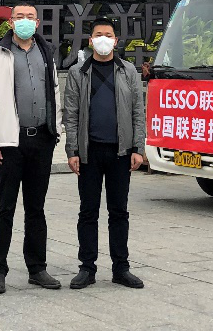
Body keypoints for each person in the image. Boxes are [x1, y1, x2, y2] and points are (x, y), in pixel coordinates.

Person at [0, 3, 62, 294]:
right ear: (11, 22)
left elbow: (54, 91)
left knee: (36, 208)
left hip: (41, 140)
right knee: (5, 207)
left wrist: (55, 130)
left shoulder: (46, 52)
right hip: (10, 144)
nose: (25, 21)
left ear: (37, 23)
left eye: (30, 17)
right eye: (19, 17)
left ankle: (37, 268)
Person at [63, 17, 146, 290]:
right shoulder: (78, 72)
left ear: (115, 40)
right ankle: (87, 268)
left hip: (121, 153)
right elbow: (70, 114)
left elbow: (138, 112)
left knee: (118, 212)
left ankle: (121, 268)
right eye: (98, 34)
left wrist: (138, 148)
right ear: (90, 40)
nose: (103, 39)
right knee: (88, 212)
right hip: (89, 153)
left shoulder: (128, 71)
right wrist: (72, 150)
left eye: (108, 35)